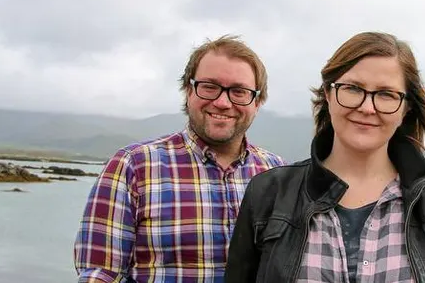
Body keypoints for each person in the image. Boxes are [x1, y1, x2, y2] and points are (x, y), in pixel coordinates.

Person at [225, 31, 425, 283]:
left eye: (386, 94)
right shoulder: (268, 193)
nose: (367, 107)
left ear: (406, 108)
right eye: (352, 88)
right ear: (328, 94)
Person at [74, 34, 286, 283]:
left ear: (257, 102)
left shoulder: (278, 174)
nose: (222, 102)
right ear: (188, 90)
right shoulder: (134, 166)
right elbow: (101, 273)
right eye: (209, 87)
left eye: (239, 91)